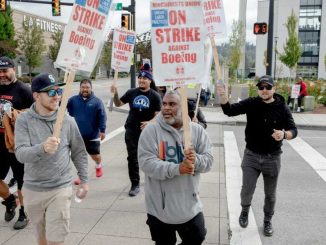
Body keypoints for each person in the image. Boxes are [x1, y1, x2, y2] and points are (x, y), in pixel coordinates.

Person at [216, 75, 298, 237]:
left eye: (268, 87)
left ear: (274, 89)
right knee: (246, 190)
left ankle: (267, 220)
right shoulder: (252, 103)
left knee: (270, 194)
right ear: (258, 89)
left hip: (272, 158)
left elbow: (293, 130)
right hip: (251, 156)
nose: (264, 90)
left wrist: (284, 134)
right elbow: (229, 111)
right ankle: (245, 211)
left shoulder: (282, 107)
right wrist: (224, 96)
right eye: (261, 87)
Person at [14, 73, 89, 245]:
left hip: (60, 188)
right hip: (32, 189)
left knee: (56, 240)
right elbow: (20, 154)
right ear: (36, 95)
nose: (57, 96)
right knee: (42, 240)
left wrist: (84, 181)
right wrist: (42, 148)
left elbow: (79, 152)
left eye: (58, 91)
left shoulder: (68, 121)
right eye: (51, 92)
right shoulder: (24, 121)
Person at [138, 90, 213, 245]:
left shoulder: (197, 131)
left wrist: (195, 160)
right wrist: (178, 168)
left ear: (183, 108)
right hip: (159, 209)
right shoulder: (151, 131)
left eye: (172, 104)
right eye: (164, 104)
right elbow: (146, 163)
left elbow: (209, 161)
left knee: (197, 237)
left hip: (190, 206)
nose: (166, 108)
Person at [110, 66, 162, 197]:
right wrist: (115, 93)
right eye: (140, 77)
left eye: (144, 78)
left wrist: (150, 122)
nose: (141, 80)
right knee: (132, 158)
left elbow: (159, 115)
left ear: (150, 81)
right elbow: (118, 104)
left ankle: (153, 183)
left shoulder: (155, 96)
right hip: (131, 130)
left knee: (150, 158)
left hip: (148, 133)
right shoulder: (131, 92)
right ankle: (135, 184)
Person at [0, 56, 33, 230]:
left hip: (16, 142)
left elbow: (35, 113)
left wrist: (15, 114)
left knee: (21, 180)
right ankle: (10, 200)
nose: (2, 74)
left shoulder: (23, 90)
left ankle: (24, 213)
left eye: (5, 71)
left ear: (13, 69)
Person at [67, 79, 107, 182]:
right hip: (77, 135)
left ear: (91, 88)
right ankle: (82, 177)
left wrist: (102, 130)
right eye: (83, 87)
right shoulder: (72, 100)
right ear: (80, 88)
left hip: (92, 135)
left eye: (87, 87)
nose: (85, 89)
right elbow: (61, 108)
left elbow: (102, 116)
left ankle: (98, 165)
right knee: (79, 158)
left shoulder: (97, 102)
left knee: (95, 155)